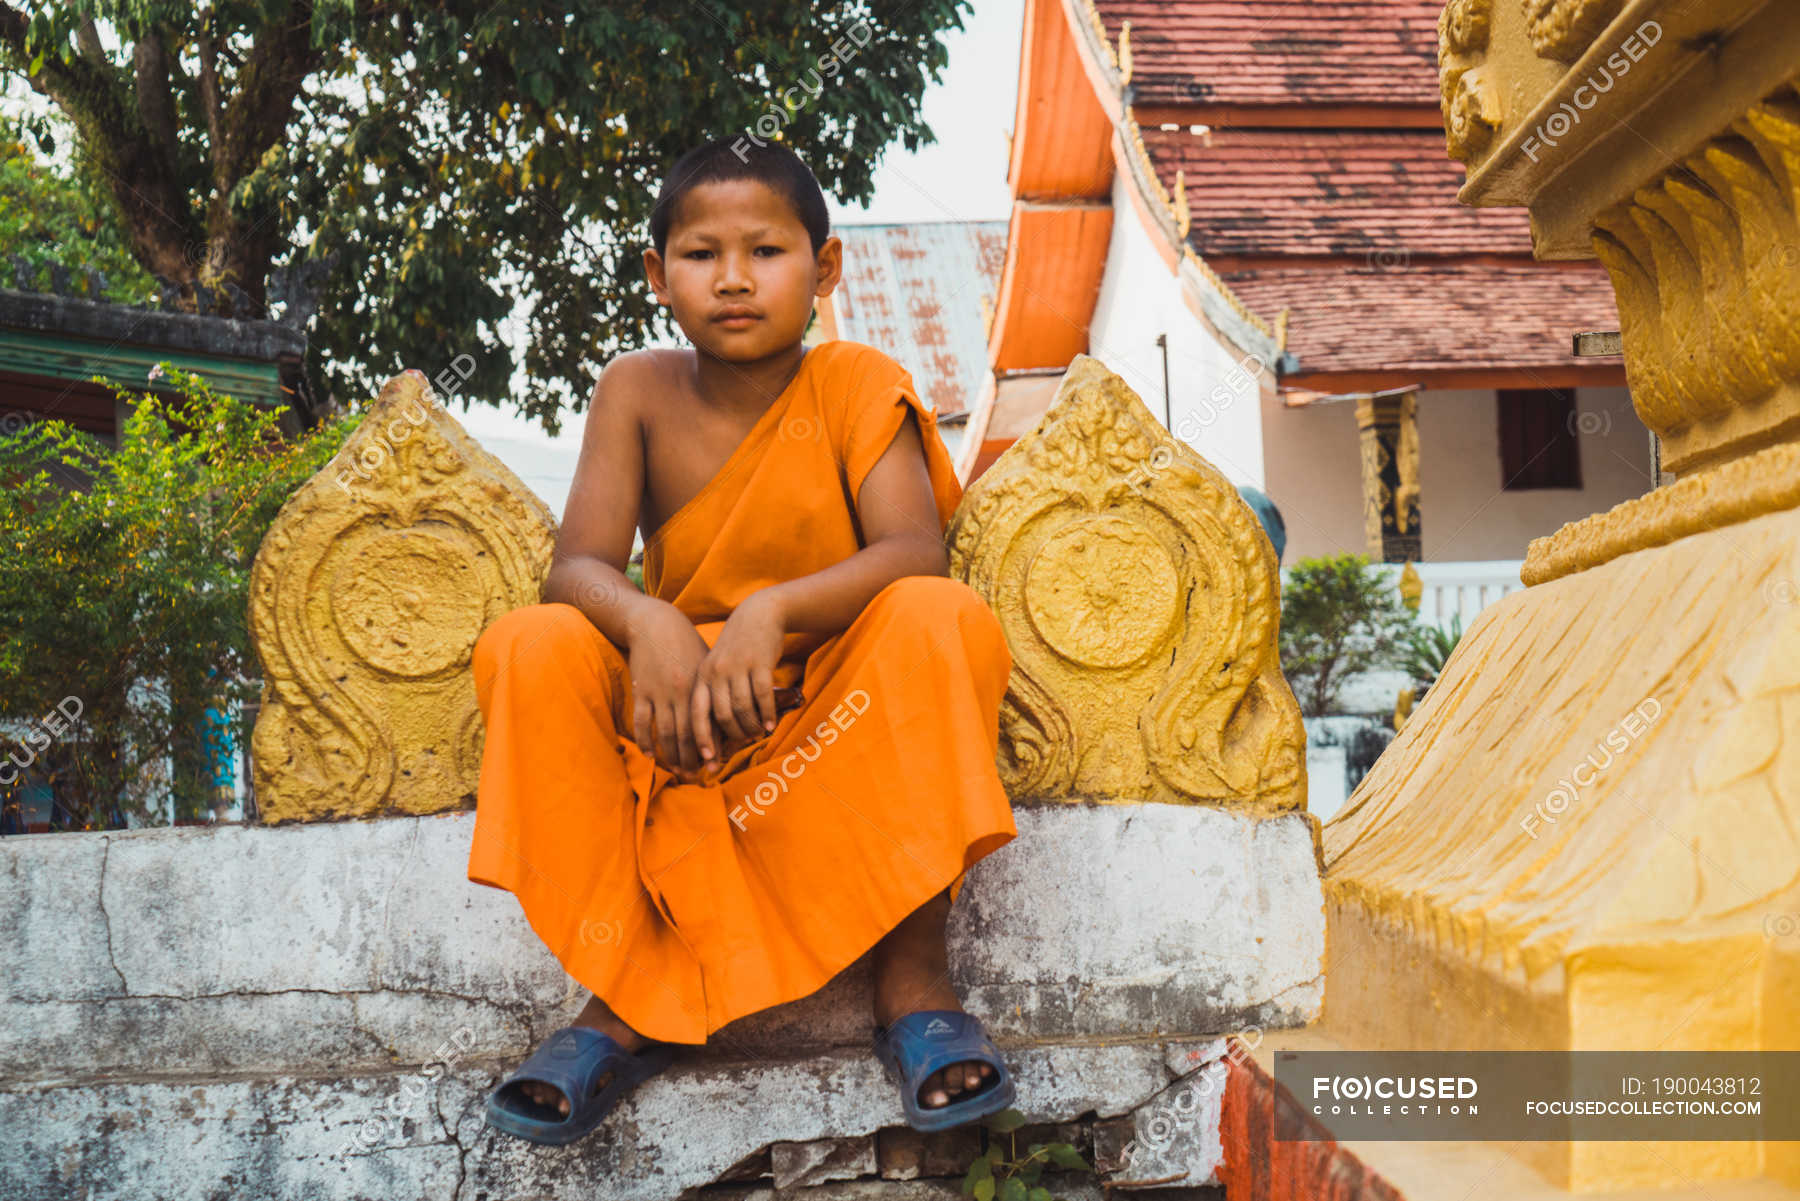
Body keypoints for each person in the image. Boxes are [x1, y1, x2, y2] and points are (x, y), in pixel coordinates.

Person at [467, 136, 1020, 1147]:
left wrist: (771, 612)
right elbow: (577, 567)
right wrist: (650, 620)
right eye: (700, 254)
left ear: (826, 269)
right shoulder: (636, 390)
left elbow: (911, 551)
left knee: (942, 620)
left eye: (765, 251)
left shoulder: (856, 380)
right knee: (529, 645)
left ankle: (912, 984)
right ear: (656, 276)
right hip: (678, 716)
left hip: (825, 703)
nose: (733, 278)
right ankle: (625, 987)